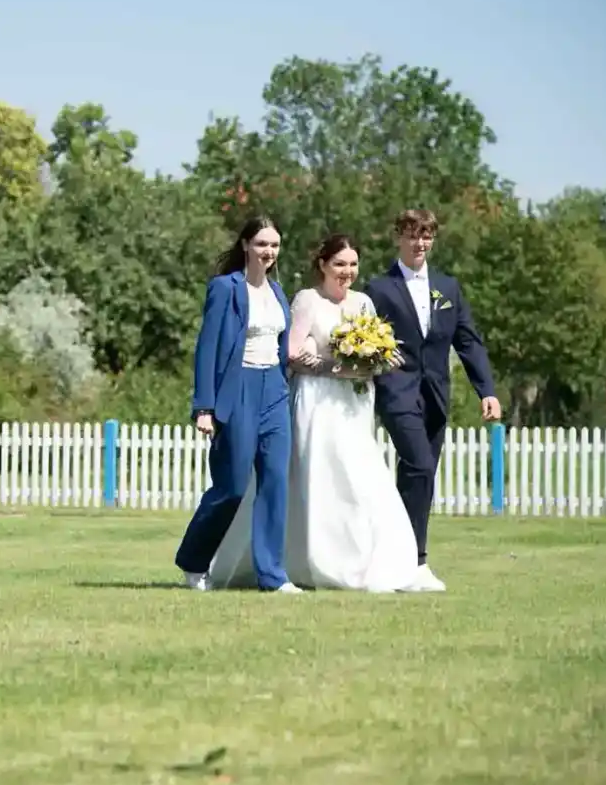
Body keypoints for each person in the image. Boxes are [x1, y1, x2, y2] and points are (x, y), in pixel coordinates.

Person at [363, 209, 502, 592]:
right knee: (420, 465)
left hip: (437, 395)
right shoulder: (379, 289)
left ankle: (407, 560)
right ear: (398, 238)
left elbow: (468, 341)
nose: (420, 243)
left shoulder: (448, 288)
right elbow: (364, 338)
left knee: (418, 475)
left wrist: (486, 390)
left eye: (426, 236)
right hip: (395, 392)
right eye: (412, 235)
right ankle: (415, 561)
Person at [282, 235, 421, 592]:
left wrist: (380, 360)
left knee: (359, 477)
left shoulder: (363, 302)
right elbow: (293, 354)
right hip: (317, 400)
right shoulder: (308, 300)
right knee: (322, 476)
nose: (347, 272)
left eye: (353, 264)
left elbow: (376, 350)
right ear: (323, 265)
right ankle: (315, 561)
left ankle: (366, 559)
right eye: (340, 264)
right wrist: (333, 368)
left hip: (356, 402)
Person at [174, 216, 302, 593]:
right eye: (262, 244)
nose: (269, 252)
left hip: (274, 392)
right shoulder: (225, 288)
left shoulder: (278, 292)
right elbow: (207, 347)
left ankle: (272, 575)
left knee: (276, 482)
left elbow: (281, 348)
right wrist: (204, 406)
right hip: (238, 389)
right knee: (230, 486)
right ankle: (194, 563)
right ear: (246, 245)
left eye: (275, 245)